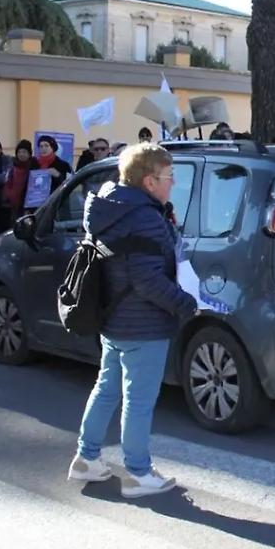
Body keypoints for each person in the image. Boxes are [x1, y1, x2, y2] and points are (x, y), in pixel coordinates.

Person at [68, 143, 198, 498]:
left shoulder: (111, 206)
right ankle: (138, 473)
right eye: (169, 176)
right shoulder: (144, 218)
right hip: (145, 324)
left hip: (114, 318)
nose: (173, 183)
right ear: (149, 181)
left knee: (106, 389)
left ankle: (86, 457)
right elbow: (146, 279)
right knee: (138, 401)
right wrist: (186, 303)